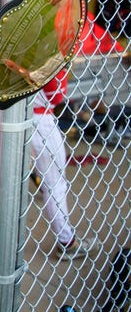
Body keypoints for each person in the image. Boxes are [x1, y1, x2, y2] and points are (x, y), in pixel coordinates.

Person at [31, 71, 99, 260]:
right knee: (55, 186)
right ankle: (67, 243)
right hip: (40, 119)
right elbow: (57, 94)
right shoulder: (46, 46)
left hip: (13, 116)